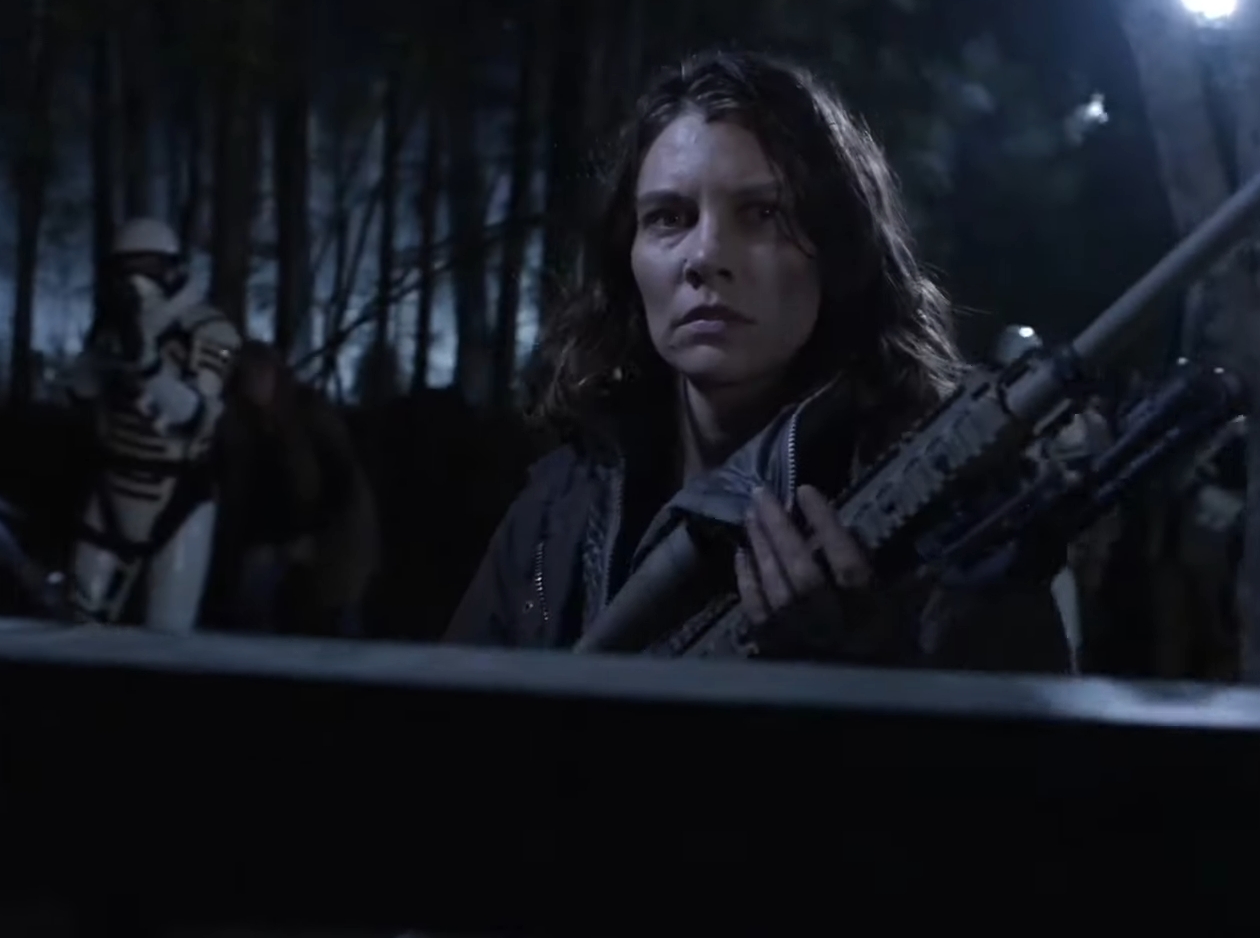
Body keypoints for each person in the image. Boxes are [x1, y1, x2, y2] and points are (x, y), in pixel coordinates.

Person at [447, 50, 1073, 669]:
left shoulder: (942, 506)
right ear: (628, 255)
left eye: (762, 214)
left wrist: (870, 677)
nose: (705, 256)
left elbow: (1020, 729)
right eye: (668, 217)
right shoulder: (562, 502)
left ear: (837, 250)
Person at [65, 217, 240, 632]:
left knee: (168, 630)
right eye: (126, 268)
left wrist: (147, 366)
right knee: (79, 622)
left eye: (148, 266)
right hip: (113, 485)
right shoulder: (111, 327)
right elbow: (81, 393)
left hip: (178, 493)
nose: (136, 279)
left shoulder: (210, 330)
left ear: (173, 269)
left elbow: (195, 416)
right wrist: (106, 351)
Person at [209, 341, 378, 637]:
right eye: (246, 377)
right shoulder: (248, 423)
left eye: (259, 375)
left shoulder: (309, 412)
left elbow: (342, 480)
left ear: (273, 374)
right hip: (284, 538)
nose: (253, 385)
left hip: (336, 539)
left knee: (337, 621)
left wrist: (314, 537)